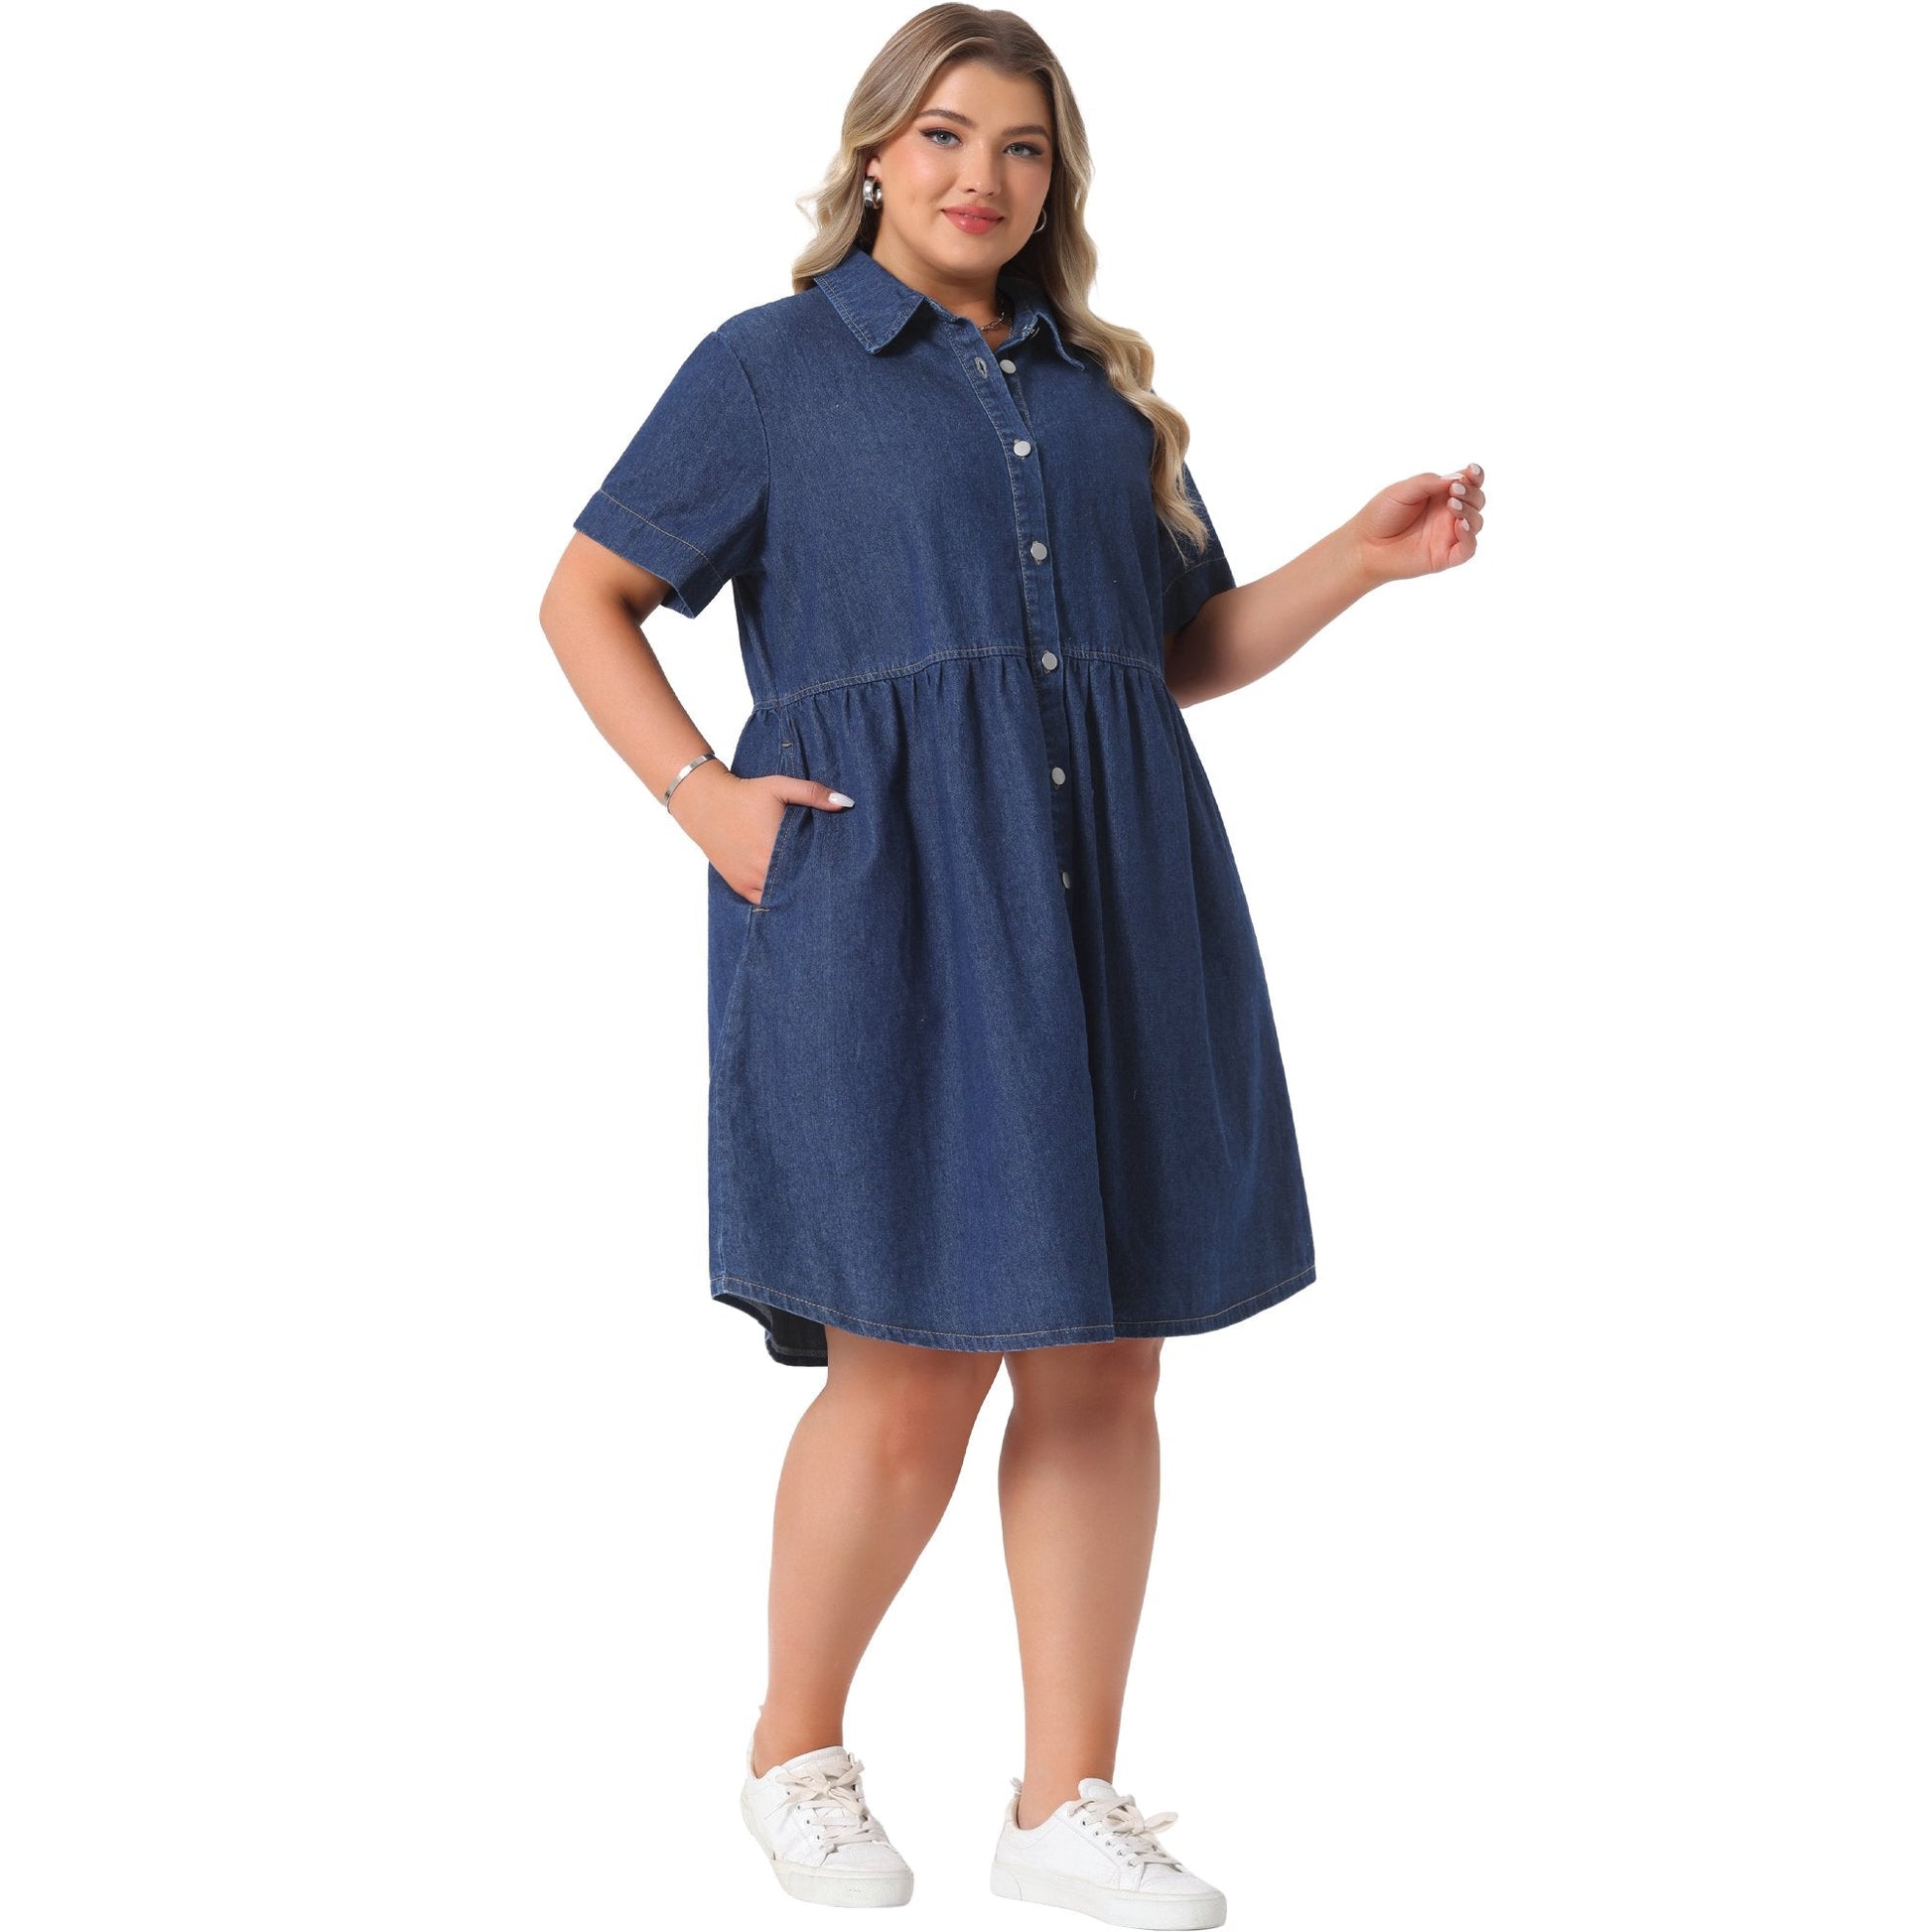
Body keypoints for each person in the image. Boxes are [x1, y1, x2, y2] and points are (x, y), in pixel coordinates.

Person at [537, 7, 1484, 1923]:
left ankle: (1065, 1801)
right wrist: (703, 800)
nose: (982, 175)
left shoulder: (1102, 403)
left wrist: (1353, 560)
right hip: (886, 904)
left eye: (1024, 147)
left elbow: (1179, 653)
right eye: (946, 134)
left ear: (1057, 184)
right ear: (873, 153)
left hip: (1116, 901)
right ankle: (791, 1750)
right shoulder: (766, 370)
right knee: (907, 1363)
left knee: (1106, 1356)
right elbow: (585, 595)